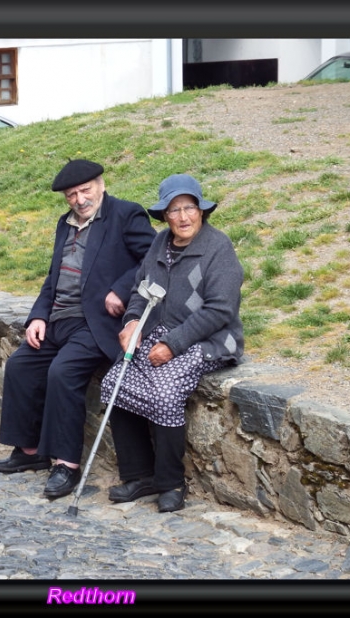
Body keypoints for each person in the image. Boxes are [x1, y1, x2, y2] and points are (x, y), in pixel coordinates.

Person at [0, 159, 157, 500]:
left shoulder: (126, 214)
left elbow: (152, 259)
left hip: (94, 322)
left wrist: (121, 289)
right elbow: (53, 277)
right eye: (71, 195)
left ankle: (66, 465)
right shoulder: (64, 225)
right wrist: (38, 316)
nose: (80, 200)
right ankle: (31, 451)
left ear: (101, 185)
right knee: (20, 366)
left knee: (62, 372)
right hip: (58, 319)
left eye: (85, 190)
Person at [100, 173, 244, 513]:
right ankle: (139, 475)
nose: (183, 217)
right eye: (175, 210)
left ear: (201, 211)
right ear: (165, 214)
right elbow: (141, 289)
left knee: (164, 392)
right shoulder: (160, 243)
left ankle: (170, 483)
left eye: (189, 208)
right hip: (159, 332)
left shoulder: (217, 249)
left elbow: (220, 310)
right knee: (114, 383)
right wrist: (132, 322)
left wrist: (173, 344)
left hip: (207, 340)